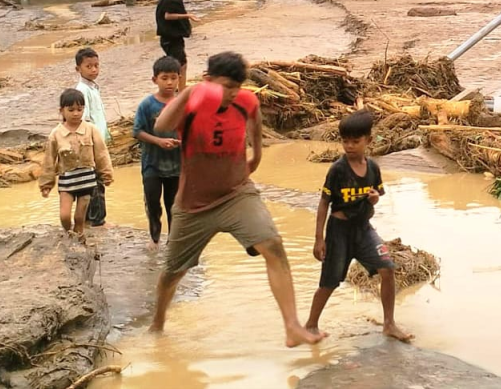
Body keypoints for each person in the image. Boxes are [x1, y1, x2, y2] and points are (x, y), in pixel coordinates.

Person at [148, 51, 323, 347]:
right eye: (226, 85)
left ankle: (292, 326)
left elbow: (254, 124)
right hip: (194, 206)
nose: (232, 93)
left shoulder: (245, 101)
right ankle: (157, 325)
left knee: (274, 246)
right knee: (171, 273)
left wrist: (256, 154)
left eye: (237, 86)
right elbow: (161, 127)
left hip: (236, 194)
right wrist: (190, 91)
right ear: (208, 81)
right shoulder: (191, 103)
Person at [305, 110, 412, 342]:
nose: (350, 146)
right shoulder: (338, 170)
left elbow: (376, 195)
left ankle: (389, 323)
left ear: (368, 141)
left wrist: (374, 198)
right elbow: (324, 202)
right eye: (345, 141)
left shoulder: (373, 168)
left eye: (356, 141)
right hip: (339, 232)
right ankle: (311, 326)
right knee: (329, 281)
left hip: (364, 230)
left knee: (387, 268)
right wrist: (319, 238)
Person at [39, 89, 114, 239]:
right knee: (64, 216)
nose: (76, 113)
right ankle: (68, 235)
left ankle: (79, 241)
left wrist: (106, 174)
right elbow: (49, 160)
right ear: (61, 111)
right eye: (71, 109)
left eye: (80, 109)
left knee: (80, 218)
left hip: (87, 181)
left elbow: (101, 153)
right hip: (67, 181)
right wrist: (46, 184)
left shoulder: (91, 129)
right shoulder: (56, 134)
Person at [133, 56, 183, 247]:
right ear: (155, 80)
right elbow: (137, 132)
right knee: (153, 203)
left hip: (176, 166)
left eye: (173, 78)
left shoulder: (182, 104)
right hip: (152, 164)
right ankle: (154, 238)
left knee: (174, 206)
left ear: (179, 78)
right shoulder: (147, 105)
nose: (169, 82)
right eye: (164, 78)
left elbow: (192, 131)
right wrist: (159, 141)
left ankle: (173, 240)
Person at [75, 48, 110, 227]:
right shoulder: (82, 90)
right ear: (78, 69)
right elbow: (85, 119)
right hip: (91, 143)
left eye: (96, 66)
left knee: (93, 181)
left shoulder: (93, 87)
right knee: (97, 181)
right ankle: (98, 220)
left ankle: (89, 218)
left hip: (98, 141)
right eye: (89, 66)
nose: (94, 70)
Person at [155, 0, 198, 91]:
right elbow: (168, 16)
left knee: (179, 64)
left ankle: (179, 89)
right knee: (180, 65)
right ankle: (180, 91)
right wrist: (188, 15)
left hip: (171, 37)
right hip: (170, 38)